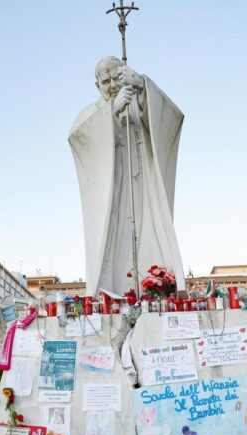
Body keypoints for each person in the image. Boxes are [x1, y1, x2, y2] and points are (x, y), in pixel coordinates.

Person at [69, 56, 186, 296]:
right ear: (97, 85)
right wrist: (110, 113)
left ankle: (155, 286)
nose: (111, 85)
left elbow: (171, 118)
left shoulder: (137, 102)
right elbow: (78, 138)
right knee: (114, 240)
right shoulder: (91, 113)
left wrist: (142, 85)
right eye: (105, 81)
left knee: (149, 230)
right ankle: (113, 292)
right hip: (112, 192)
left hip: (143, 187)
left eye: (117, 78)